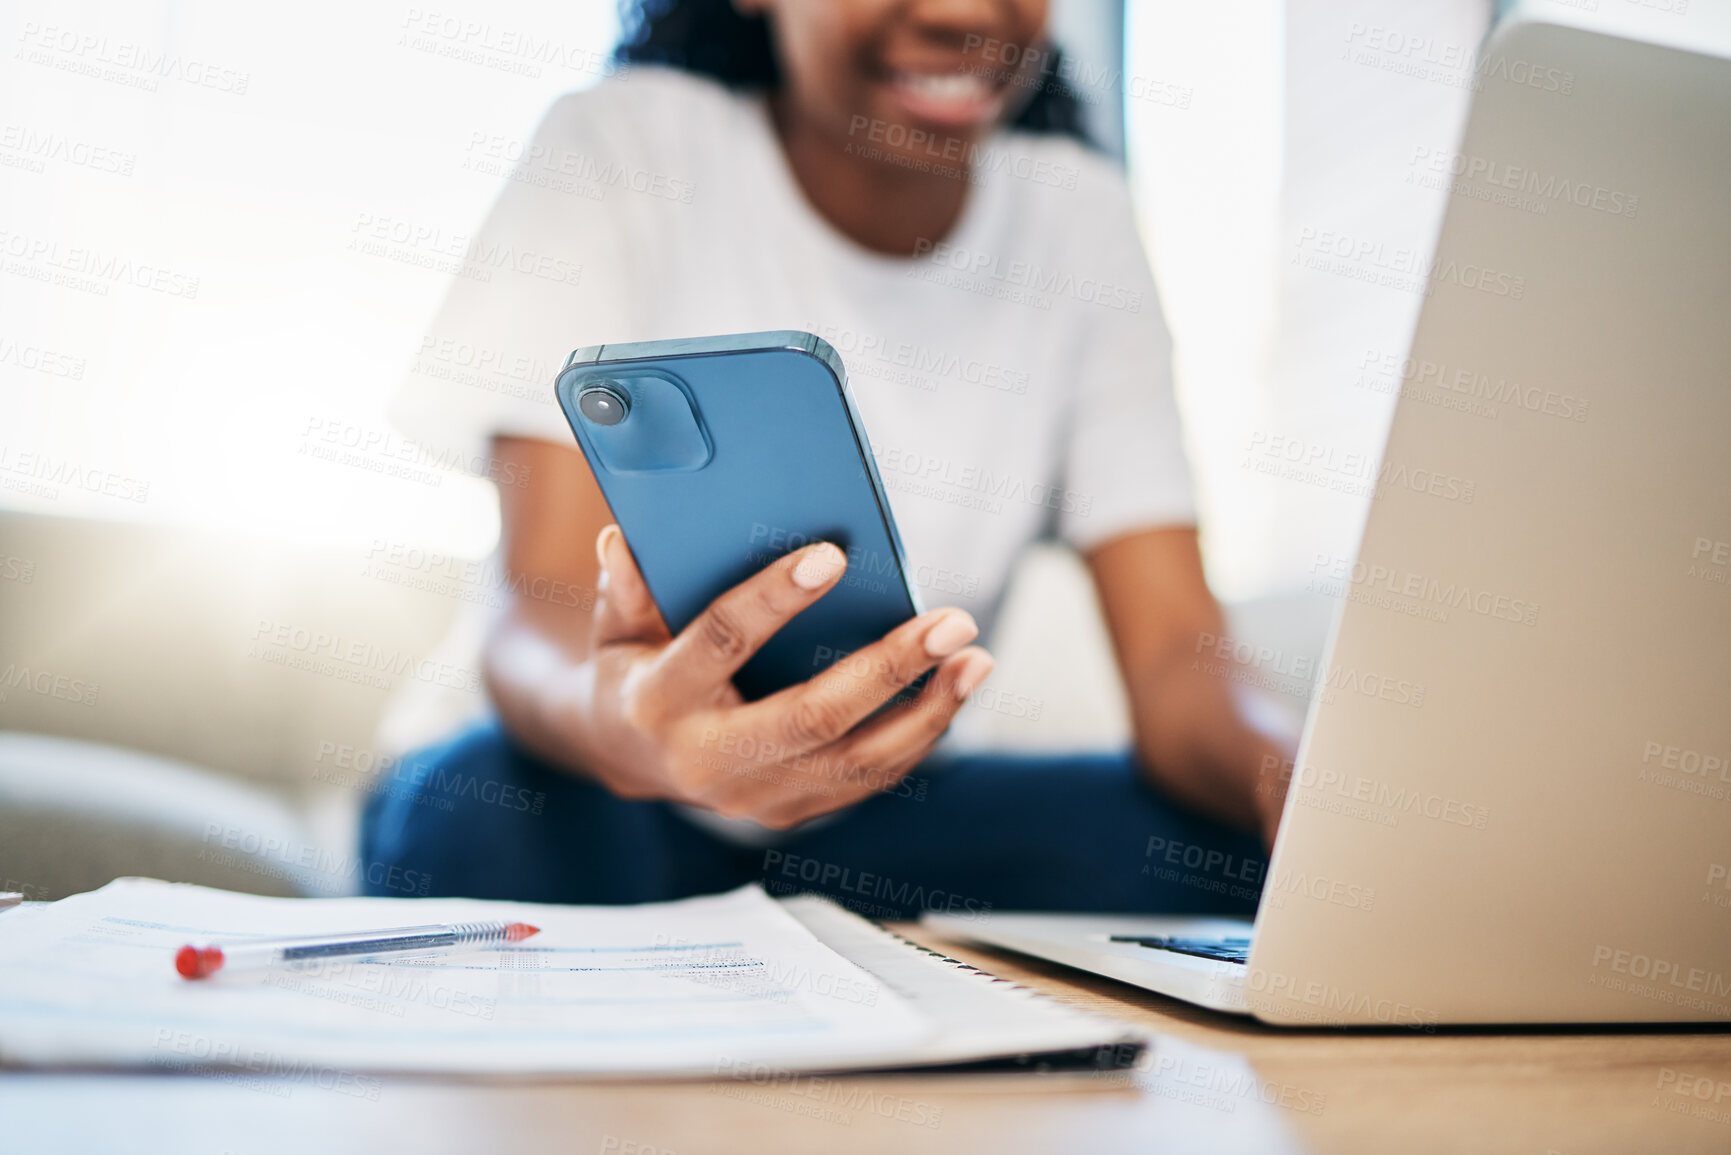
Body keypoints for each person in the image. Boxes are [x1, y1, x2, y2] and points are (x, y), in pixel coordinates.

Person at [362, 0, 1293, 917]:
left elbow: (1177, 651)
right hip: (590, 775)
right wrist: (633, 733)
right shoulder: (621, 143)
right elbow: (545, 602)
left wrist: (1295, 779)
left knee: (1215, 857)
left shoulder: (1079, 215)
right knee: (480, 815)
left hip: (869, 820)